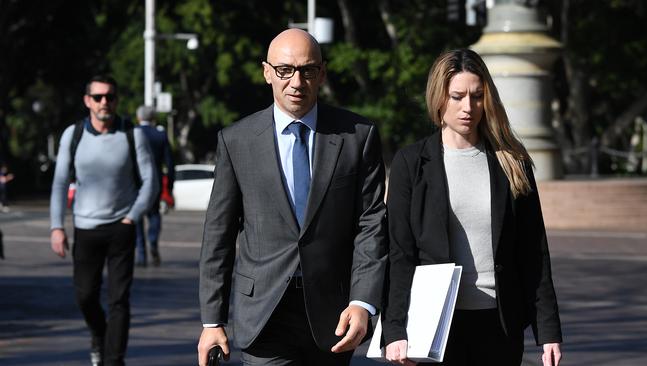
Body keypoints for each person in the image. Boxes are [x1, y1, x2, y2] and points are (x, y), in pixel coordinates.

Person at [196, 28, 388, 366]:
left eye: (307, 70)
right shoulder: (237, 141)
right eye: (285, 70)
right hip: (263, 314)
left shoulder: (357, 136)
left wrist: (363, 301)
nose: (296, 82)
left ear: (322, 73)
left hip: (333, 314)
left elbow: (370, 224)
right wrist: (213, 320)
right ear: (267, 72)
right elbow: (218, 234)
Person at [382, 49, 562, 366]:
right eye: (457, 96)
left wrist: (547, 330)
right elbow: (400, 251)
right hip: (437, 326)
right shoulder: (410, 163)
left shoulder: (513, 161)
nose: (468, 107)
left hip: (501, 324)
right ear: (439, 98)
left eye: (477, 96)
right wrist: (395, 329)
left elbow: (534, 251)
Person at [50, 75, 157, 366]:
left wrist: (132, 218)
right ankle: (99, 334)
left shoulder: (132, 134)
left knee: (119, 300)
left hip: (121, 228)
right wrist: (57, 226)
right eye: (98, 97)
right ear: (88, 101)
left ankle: (113, 360)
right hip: (85, 230)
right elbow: (60, 183)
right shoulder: (72, 135)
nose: (104, 102)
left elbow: (150, 181)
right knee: (85, 297)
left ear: (116, 100)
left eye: (109, 96)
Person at [134, 105, 174, 267]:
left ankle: (141, 254)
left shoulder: (133, 133)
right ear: (153, 118)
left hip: (135, 181)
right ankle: (153, 242)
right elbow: (170, 162)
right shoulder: (160, 135)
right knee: (154, 215)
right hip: (155, 181)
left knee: (136, 217)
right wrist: (169, 185)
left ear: (138, 118)